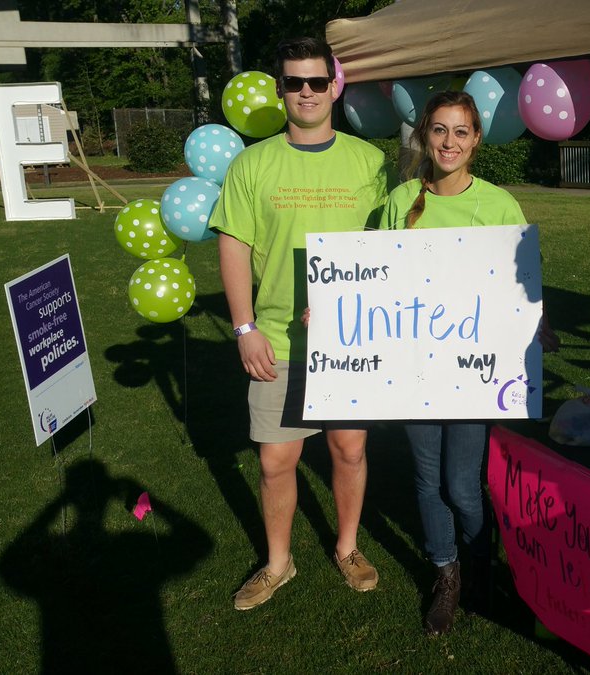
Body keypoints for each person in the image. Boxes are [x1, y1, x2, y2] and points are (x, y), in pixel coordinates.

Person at [210, 36, 390, 611]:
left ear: (335, 86)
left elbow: (387, 248)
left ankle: (347, 547)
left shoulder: (370, 162)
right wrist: (244, 328)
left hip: (349, 339)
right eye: (294, 82)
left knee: (349, 451)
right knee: (275, 459)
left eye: (317, 81)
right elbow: (234, 245)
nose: (306, 92)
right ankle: (278, 562)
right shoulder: (252, 162)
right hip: (278, 338)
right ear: (281, 88)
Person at [381, 90, 555, 634]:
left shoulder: (499, 204)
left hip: (473, 370)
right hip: (415, 367)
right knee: (427, 478)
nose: (449, 142)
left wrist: (535, 320)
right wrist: (336, 313)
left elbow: (520, 280)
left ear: (476, 138)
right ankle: (445, 572)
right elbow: (377, 277)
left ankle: (481, 560)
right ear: (423, 135)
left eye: (460, 131)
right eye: (439, 130)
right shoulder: (401, 199)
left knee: (460, 483)